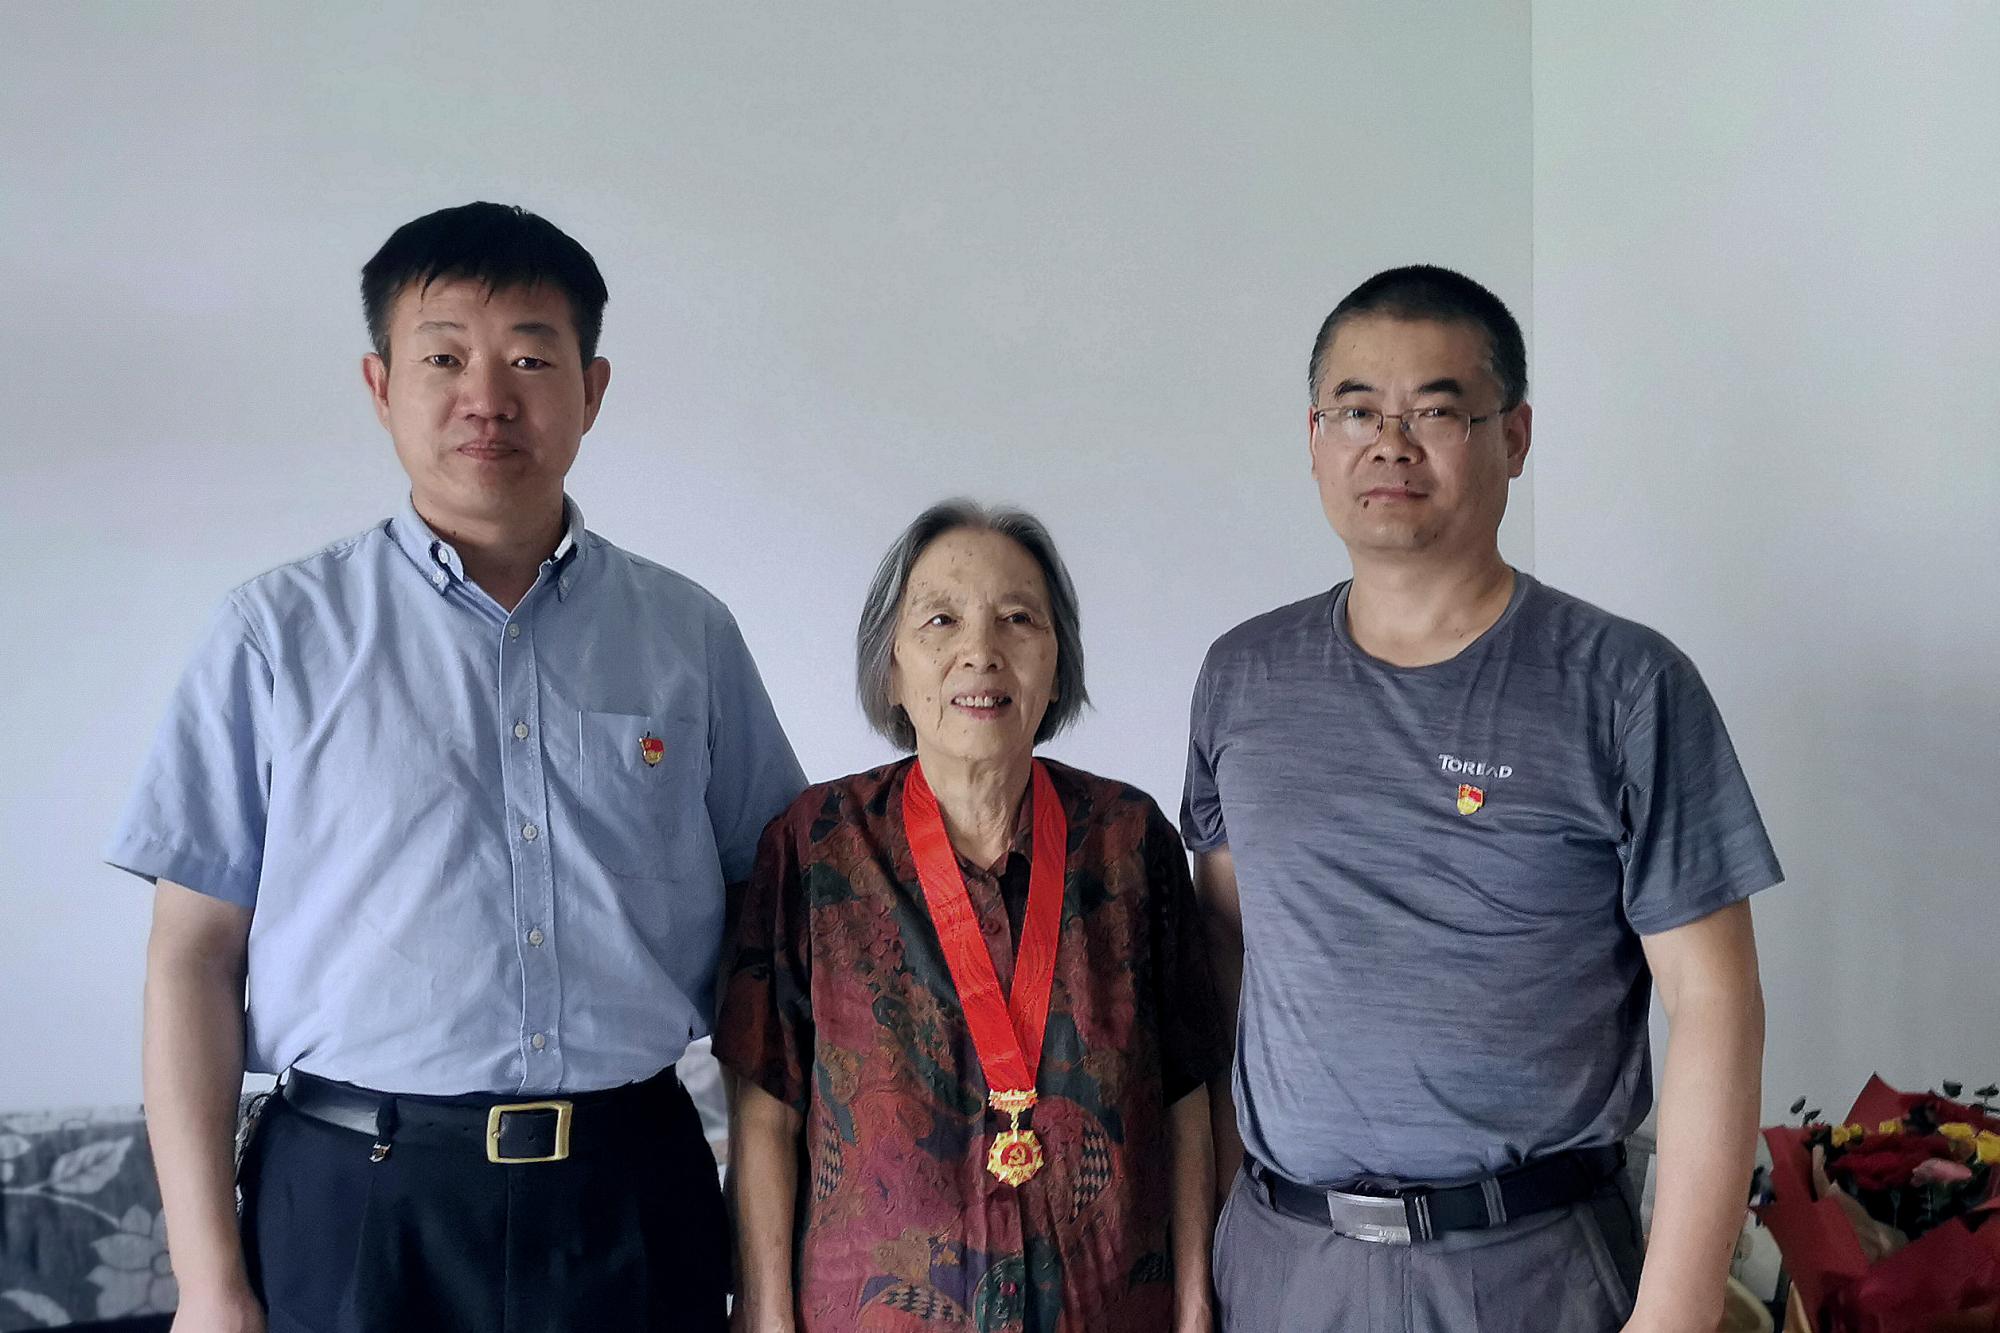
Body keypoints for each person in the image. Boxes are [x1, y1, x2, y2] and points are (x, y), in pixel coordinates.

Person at [106, 201, 805, 1333]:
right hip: (356, 1202)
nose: (487, 396)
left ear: (592, 390)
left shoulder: (689, 636)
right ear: (381, 385)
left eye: (530, 357)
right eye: (443, 358)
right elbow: (192, 958)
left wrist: (769, 1268)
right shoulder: (273, 636)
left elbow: (769, 944)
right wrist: (208, 1282)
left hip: (632, 1195)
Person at [1186, 265, 1782, 1332]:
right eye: (1355, 410)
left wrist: (1676, 1310)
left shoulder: (1624, 686)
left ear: (1513, 435)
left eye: (1435, 411)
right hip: (1281, 1264)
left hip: (1529, 1268)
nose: (1389, 443)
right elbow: (1229, 948)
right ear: (1313, 438)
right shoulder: (1241, 676)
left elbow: (1713, 1003)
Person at [717, 501, 1223, 1333]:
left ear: (1057, 663)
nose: (981, 651)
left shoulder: (1131, 842)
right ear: (891, 666)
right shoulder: (816, 847)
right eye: (941, 620)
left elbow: (1187, 1094)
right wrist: (766, 1314)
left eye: (1018, 619)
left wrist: (1197, 1304)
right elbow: (767, 1105)